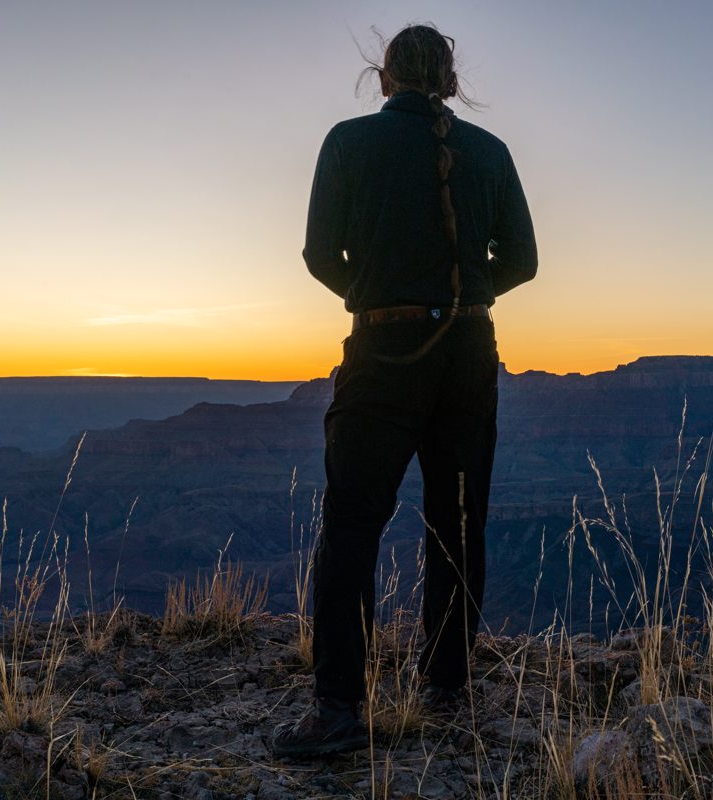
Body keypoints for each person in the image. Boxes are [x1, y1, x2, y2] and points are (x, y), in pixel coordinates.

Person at [271, 24, 538, 759]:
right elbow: (524, 258)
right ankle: (447, 691)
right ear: (449, 81)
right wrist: (466, 295)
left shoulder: (348, 143)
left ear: (384, 78)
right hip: (467, 354)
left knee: (352, 526)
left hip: (385, 351)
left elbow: (320, 254)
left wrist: (377, 290)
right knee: (456, 524)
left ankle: (336, 714)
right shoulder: (490, 153)